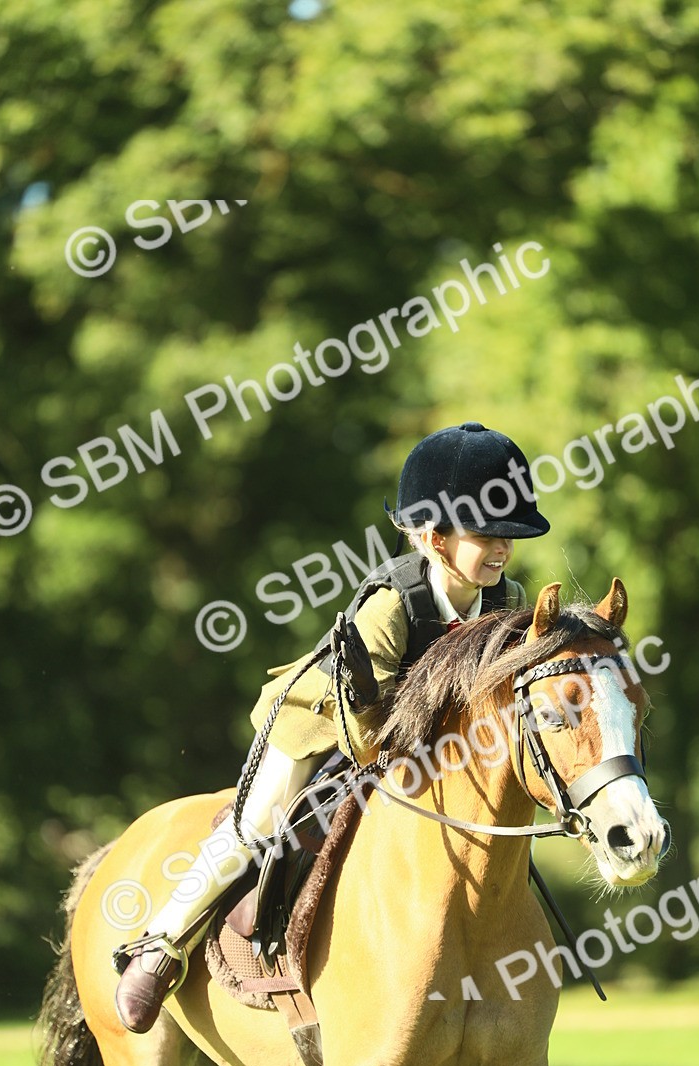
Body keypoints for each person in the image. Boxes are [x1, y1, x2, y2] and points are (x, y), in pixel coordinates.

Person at [114, 421, 550, 1032]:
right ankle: (159, 947)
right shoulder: (390, 605)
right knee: (258, 822)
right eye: (488, 534)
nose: (503, 549)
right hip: (325, 723)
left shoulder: (507, 600)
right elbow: (364, 731)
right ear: (433, 537)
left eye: (511, 535)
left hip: (430, 745)